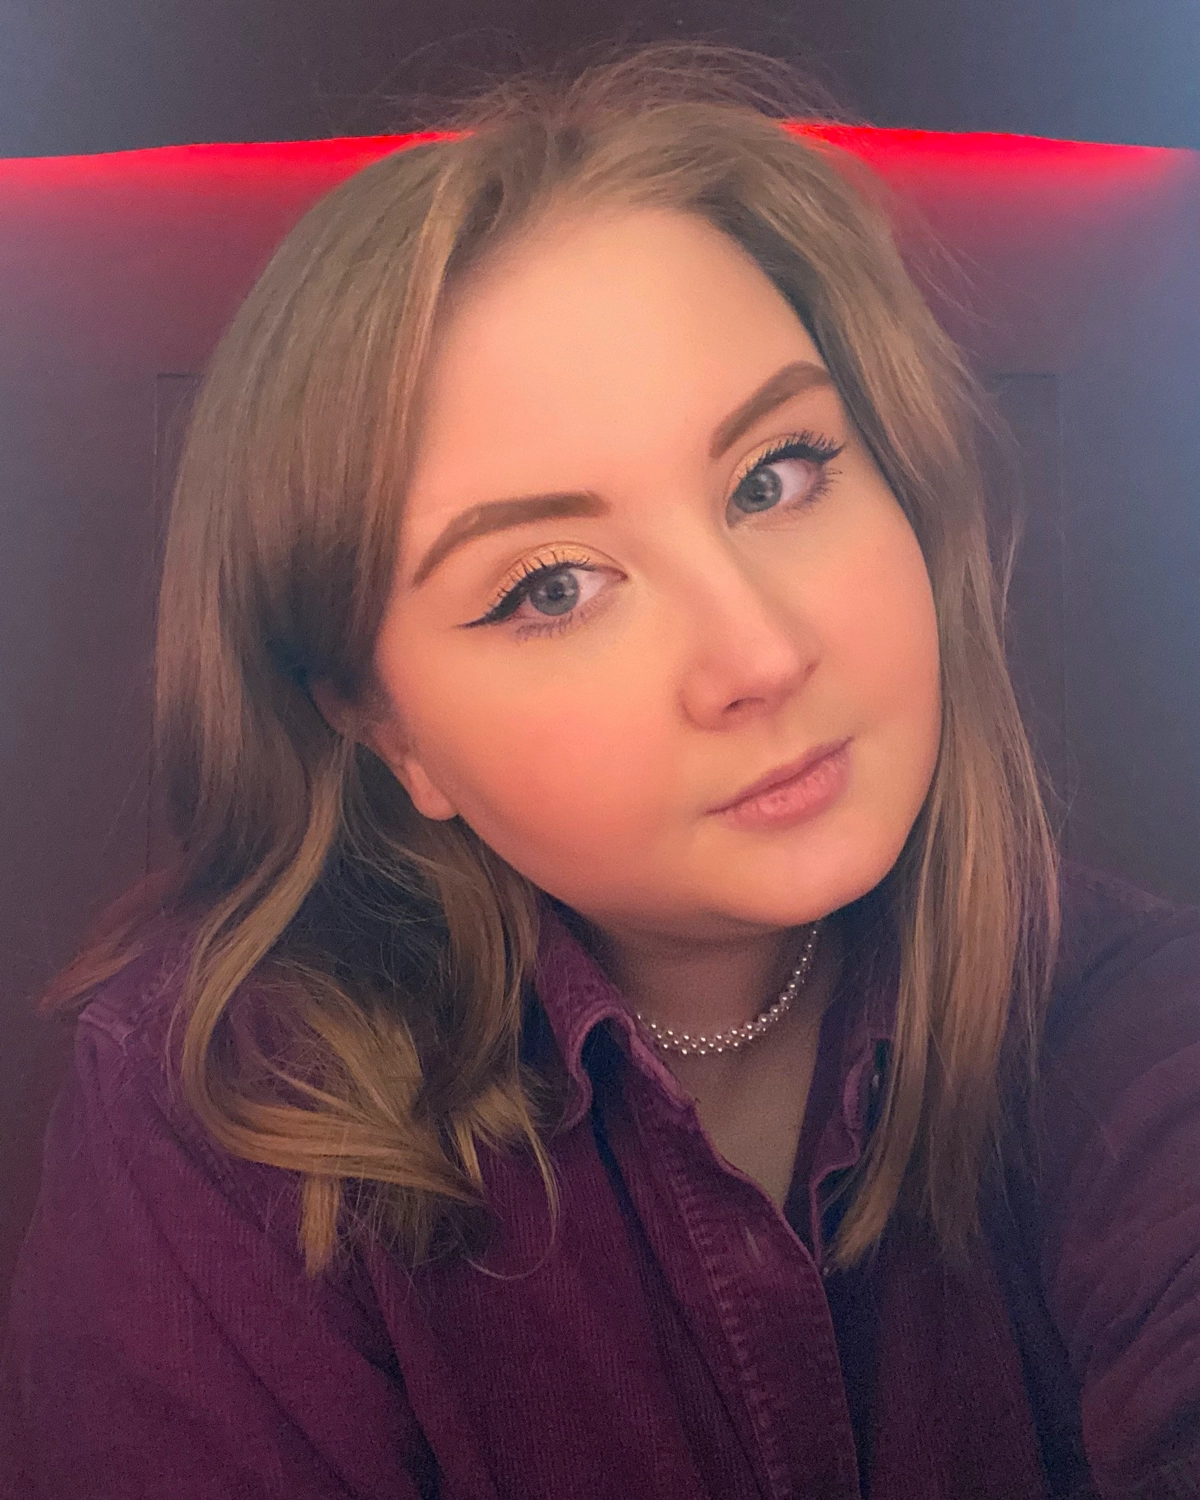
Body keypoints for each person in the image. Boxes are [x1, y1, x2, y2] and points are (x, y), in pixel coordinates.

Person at [2, 43, 1198, 1500]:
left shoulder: (1126, 1022)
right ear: (388, 729)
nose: (760, 654)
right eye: (552, 586)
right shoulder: (223, 1124)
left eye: (776, 476)